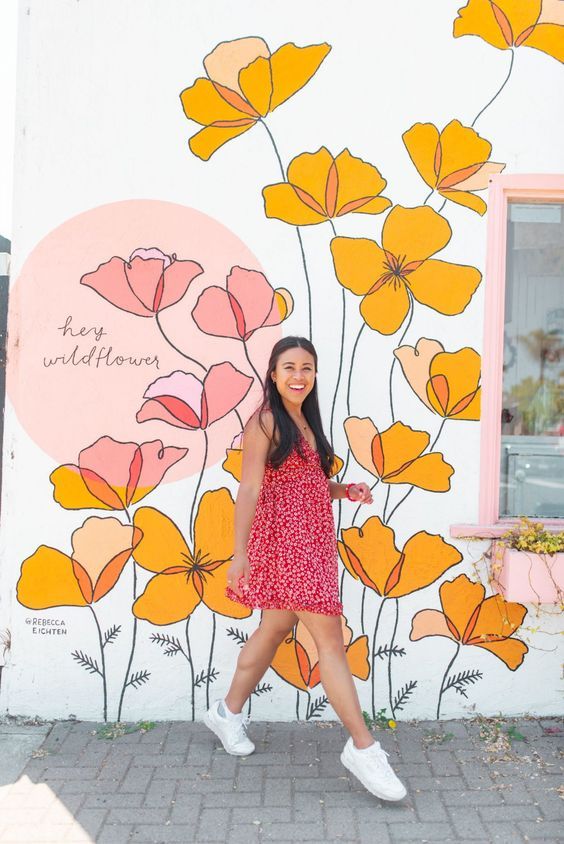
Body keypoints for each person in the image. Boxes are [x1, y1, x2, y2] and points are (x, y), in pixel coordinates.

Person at [204, 336, 406, 801]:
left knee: (272, 630)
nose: (299, 375)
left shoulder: (303, 419)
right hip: (286, 545)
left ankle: (227, 712)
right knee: (330, 643)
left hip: (311, 542)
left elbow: (304, 482)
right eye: (289, 367)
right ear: (272, 374)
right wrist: (239, 554)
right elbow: (250, 488)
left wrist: (343, 490)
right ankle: (363, 747)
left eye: (307, 368)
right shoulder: (267, 421)